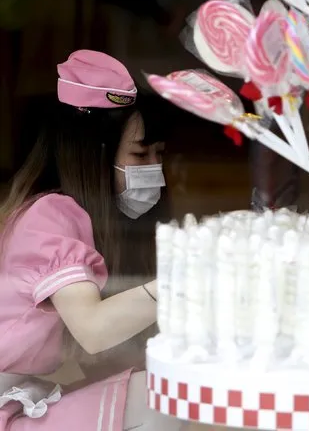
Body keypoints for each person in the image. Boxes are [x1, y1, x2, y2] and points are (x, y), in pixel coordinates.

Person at [0, 50, 185, 430]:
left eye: (158, 154)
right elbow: (94, 330)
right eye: (139, 153)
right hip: (10, 410)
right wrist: (185, 281)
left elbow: (104, 354)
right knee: (160, 396)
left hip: (23, 398)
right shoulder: (50, 216)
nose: (153, 168)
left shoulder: (70, 217)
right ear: (95, 152)